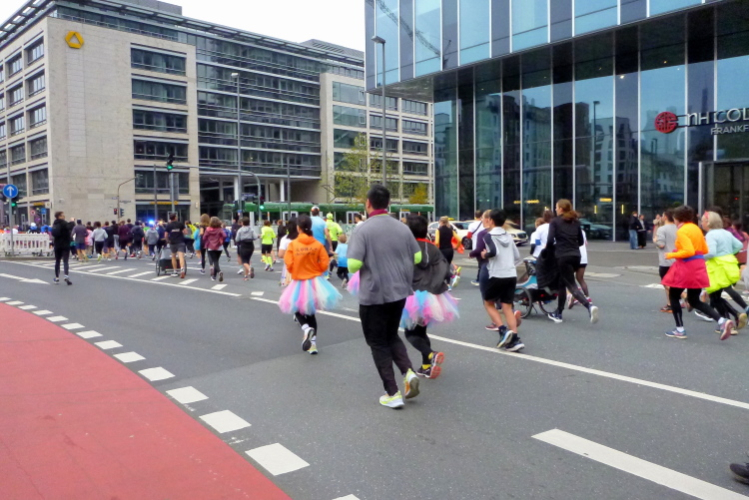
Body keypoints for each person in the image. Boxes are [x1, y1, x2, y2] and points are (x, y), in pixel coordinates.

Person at [348, 185, 423, 409]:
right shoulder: (402, 228)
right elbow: (417, 257)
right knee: (391, 335)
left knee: (377, 342)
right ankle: (408, 372)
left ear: (368, 203)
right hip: (399, 292)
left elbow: (353, 265)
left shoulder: (362, 230)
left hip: (374, 295)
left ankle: (392, 392)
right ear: (388, 203)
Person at [661, 205, 734, 340]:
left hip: (686, 266)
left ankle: (679, 329)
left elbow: (688, 251)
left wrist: (672, 254)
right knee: (694, 300)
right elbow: (704, 249)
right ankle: (722, 321)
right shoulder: (696, 229)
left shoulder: (682, 231)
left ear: (677, 218)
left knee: (674, 296)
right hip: (698, 266)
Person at [278, 214, 342, 355]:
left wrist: (295, 271)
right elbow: (324, 263)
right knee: (311, 313)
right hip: (315, 281)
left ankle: (306, 328)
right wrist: (316, 270)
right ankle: (313, 345)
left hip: (299, 281)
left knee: (295, 307)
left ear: (298, 228)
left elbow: (288, 262)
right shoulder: (317, 244)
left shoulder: (293, 244)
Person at [402, 214, 457, 378]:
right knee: (421, 331)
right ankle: (426, 365)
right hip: (433, 296)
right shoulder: (433, 248)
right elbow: (445, 270)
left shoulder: (407, 248)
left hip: (413, 295)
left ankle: (431, 354)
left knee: (411, 333)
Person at [546, 199, 600, 324]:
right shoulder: (575, 222)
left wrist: (551, 250)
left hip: (562, 256)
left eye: (556, 207)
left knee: (571, 285)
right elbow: (580, 241)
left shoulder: (555, 222)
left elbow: (549, 241)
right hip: (576, 256)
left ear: (561, 209)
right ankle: (558, 313)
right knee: (562, 283)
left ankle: (589, 306)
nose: (555, 209)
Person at [480, 209, 525, 351]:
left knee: (488, 303)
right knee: (507, 306)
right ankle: (515, 339)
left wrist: (485, 255)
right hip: (511, 274)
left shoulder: (489, 236)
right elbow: (517, 256)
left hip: (496, 274)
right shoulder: (508, 235)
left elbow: (493, 252)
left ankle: (502, 331)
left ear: (491, 220)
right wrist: (509, 265)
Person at [702, 211, 748, 334]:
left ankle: (728, 323)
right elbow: (739, 245)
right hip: (729, 263)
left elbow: (711, 253)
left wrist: (699, 257)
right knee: (721, 292)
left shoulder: (710, 234)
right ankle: (737, 315)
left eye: (703, 221)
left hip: (716, 266)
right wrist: (728, 253)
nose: (701, 223)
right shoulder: (726, 232)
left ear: (709, 222)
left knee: (714, 296)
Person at [655, 209, 678, 313]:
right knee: (674, 282)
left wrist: (655, 241)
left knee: (666, 282)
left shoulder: (662, 229)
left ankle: (683, 297)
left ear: (665, 217)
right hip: (677, 258)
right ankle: (670, 303)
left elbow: (661, 244)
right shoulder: (678, 228)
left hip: (666, 259)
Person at [51, 212, 75, 285]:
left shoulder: (55, 223)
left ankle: (57, 278)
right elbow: (70, 226)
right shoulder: (64, 223)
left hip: (57, 245)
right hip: (65, 245)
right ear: (59, 216)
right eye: (62, 215)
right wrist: (72, 221)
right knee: (65, 261)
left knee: (57, 261)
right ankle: (66, 276)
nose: (64, 216)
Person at [202, 217, 226, 282]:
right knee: (216, 261)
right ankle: (214, 276)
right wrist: (220, 239)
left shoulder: (208, 229)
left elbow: (204, 237)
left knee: (215, 261)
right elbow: (224, 236)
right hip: (219, 246)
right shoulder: (220, 229)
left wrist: (208, 239)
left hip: (211, 246)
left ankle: (219, 271)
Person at [165, 214, 187, 279]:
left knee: (173, 256)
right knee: (181, 257)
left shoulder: (168, 225)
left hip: (172, 242)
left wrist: (167, 240)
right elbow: (185, 232)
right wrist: (181, 232)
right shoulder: (180, 224)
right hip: (180, 241)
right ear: (175, 218)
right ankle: (182, 269)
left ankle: (175, 270)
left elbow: (166, 235)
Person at [278, 218, 298, 286]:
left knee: (290, 288)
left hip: (289, 266)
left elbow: (280, 254)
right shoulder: (304, 238)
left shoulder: (285, 239)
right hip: (303, 267)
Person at [467, 210, 484, 286]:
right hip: (486, 246)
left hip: (476, 246)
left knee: (480, 264)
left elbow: (468, 236)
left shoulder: (472, 225)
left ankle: (479, 279)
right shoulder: (484, 224)